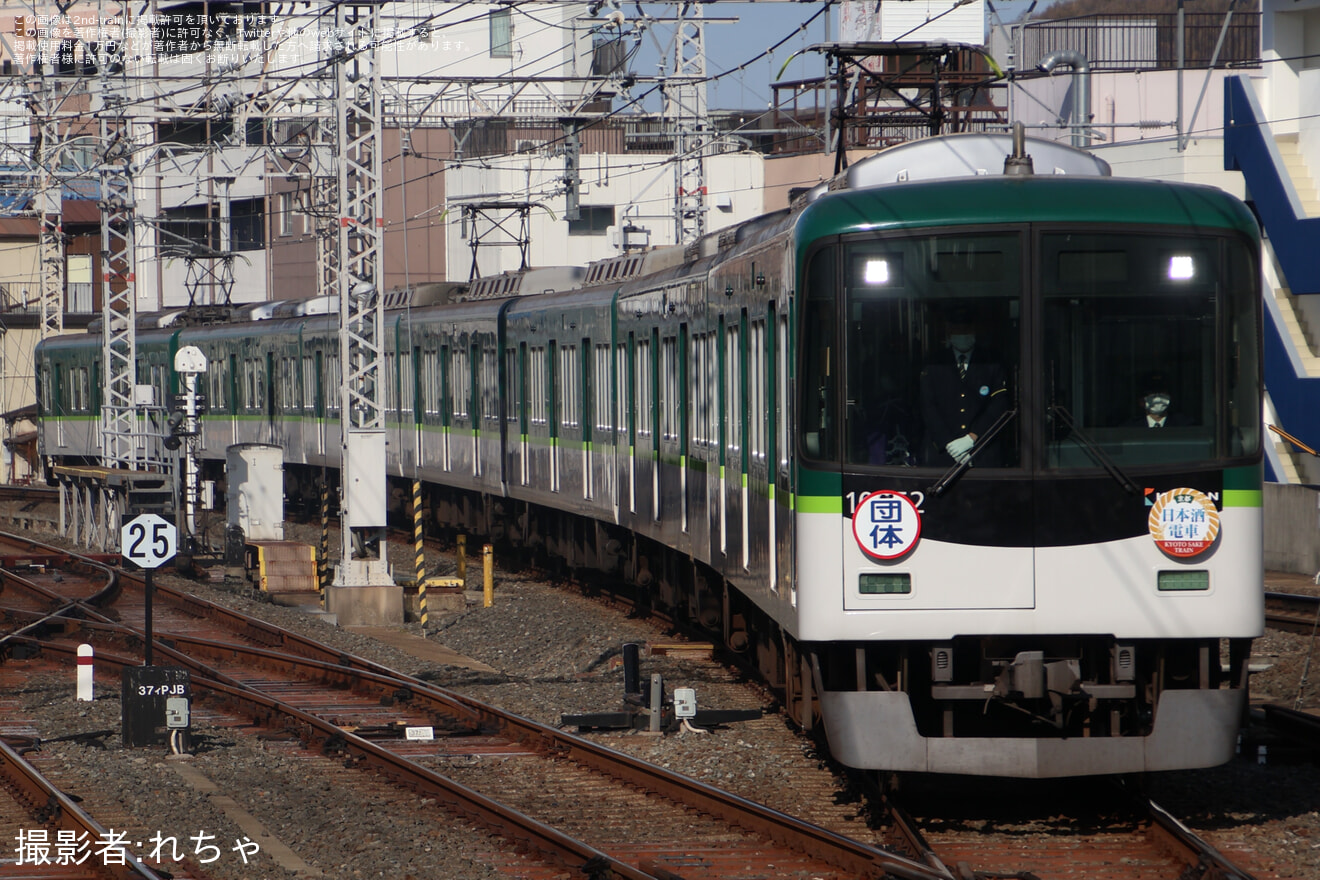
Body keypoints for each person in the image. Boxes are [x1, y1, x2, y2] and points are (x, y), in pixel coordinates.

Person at [920, 313, 1009, 466]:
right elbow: (928, 406)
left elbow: (999, 404)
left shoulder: (991, 362)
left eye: (966, 330)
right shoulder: (934, 363)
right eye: (957, 331)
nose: (962, 335)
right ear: (949, 333)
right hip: (943, 453)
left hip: (982, 451)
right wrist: (948, 443)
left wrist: (973, 437)